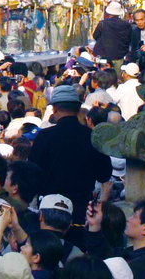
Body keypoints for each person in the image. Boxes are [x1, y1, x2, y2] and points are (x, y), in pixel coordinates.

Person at [29, 84, 112, 232]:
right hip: (81, 209)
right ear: (79, 109)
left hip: (49, 209)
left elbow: (33, 173)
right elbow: (104, 174)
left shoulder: (44, 137)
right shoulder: (92, 137)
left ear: (54, 109)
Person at [88, 198, 145, 279]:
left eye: (134, 216)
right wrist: (94, 225)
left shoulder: (141, 266)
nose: (129, 219)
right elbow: (102, 260)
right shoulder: (134, 254)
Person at [92, 2, 131, 70]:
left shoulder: (103, 23)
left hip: (103, 54)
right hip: (119, 55)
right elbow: (128, 39)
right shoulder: (126, 25)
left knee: (103, 76)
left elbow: (95, 36)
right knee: (117, 77)